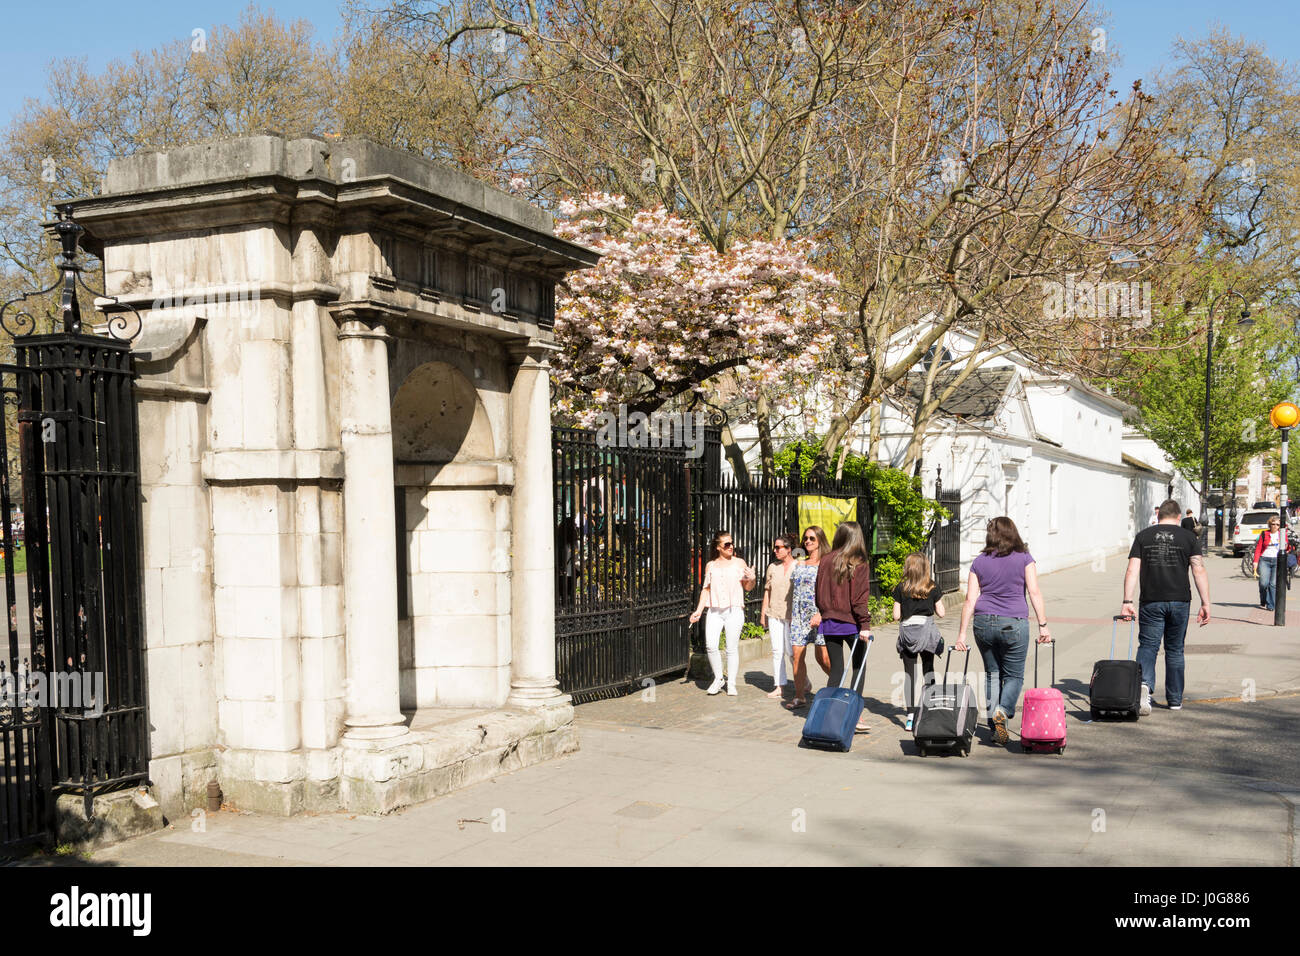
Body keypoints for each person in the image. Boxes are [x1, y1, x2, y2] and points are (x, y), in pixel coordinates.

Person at [957, 516, 1051, 746]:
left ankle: (994, 727)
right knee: (1014, 676)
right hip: (1014, 623)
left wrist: (961, 634)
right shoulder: (1025, 558)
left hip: (983, 622)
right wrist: (1043, 624)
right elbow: (1034, 592)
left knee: (992, 674)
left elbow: (970, 599)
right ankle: (1002, 710)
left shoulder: (979, 561)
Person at [1120, 499, 1210, 714]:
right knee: (1175, 649)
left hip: (1151, 599)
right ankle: (1175, 699)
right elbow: (1199, 570)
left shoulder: (1143, 536)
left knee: (1148, 646)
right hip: (1180, 600)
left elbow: (1132, 570)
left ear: (1159, 515)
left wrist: (1127, 601)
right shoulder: (1189, 537)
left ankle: (1144, 687)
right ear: (1179, 517)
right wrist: (1205, 602)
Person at [813, 521, 874, 733]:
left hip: (829, 621)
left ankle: (827, 712)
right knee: (858, 668)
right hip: (852, 623)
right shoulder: (859, 562)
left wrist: (824, 611)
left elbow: (818, 592)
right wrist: (865, 624)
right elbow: (859, 598)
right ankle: (853, 714)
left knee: (837, 669)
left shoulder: (826, 560)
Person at [690, 531, 757, 695]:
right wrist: (699, 610)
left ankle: (732, 683)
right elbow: (706, 589)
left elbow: (748, 587)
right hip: (714, 610)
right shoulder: (711, 565)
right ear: (718, 547)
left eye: (732, 543)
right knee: (711, 646)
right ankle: (719, 678)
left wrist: (752, 578)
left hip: (734, 609)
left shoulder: (739, 563)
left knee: (731, 648)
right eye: (727, 544)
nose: (731, 546)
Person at [892, 552, 946, 732]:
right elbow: (942, 613)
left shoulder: (900, 588)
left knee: (909, 675)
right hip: (927, 635)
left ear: (908, 568)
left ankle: (910, 717)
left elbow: (896, 615)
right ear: (925, 568)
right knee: (928, 670)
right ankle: (930, 711)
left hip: (908, 636)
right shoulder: (932, 587)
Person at [786, 526, 832, 709]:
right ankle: (800, 696)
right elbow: (793, 591)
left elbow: (830, 592)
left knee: (823, 658)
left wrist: (821, 613)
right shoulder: (799, 563)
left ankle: (840, 685)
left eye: (812, 538)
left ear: (820, 540)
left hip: (819, 614)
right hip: (799, 616)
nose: (808, 541)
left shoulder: (827, 563)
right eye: (806, 538)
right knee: (797, 656)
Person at [760, 535, 796, 699]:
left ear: (788, 549)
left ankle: (802, 680)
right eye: (774, 547)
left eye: (778, 547)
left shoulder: (798, 565)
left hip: (791, 615)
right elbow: (767, 591)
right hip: (774, 613)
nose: (775, 550)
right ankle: (779, 685)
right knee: (777, 650)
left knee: (792, 651)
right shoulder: (772, 567)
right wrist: (763, 613)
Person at [1251, 516, 1288, 611]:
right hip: (1264, 560)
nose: (1275, 526)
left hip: (1277, 560)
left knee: (1273, 584)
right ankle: (1263, 600)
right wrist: (1255, 562)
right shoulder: (1264, 533)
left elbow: (1287, 548)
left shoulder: (1282, 534)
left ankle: (1271, 605)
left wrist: (1286, 545)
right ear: (1270, 524)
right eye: (1273, 524)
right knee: (1263, 583)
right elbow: (1258, 549)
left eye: (1277, 525)